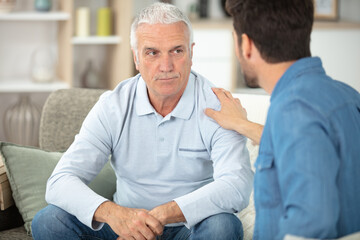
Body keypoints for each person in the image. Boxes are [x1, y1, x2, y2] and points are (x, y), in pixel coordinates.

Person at [31, 3, 254, 240]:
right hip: (124, 224)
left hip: (189, 227)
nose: (166, 66)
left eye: (177, 51)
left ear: (191, 53)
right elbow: (60, 182)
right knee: (48, 221)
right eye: (152, 53)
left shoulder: (218, 106)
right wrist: (117, 216)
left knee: (224, 227)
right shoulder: (113, 106)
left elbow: (236, 186)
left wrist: (161, 215)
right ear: (136, 57)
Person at [205, 0, 360, 239]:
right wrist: (242, 124)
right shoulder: (347, 96)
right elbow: (309, 148)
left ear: (246, 45)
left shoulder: (293, 111)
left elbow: (311, 227)